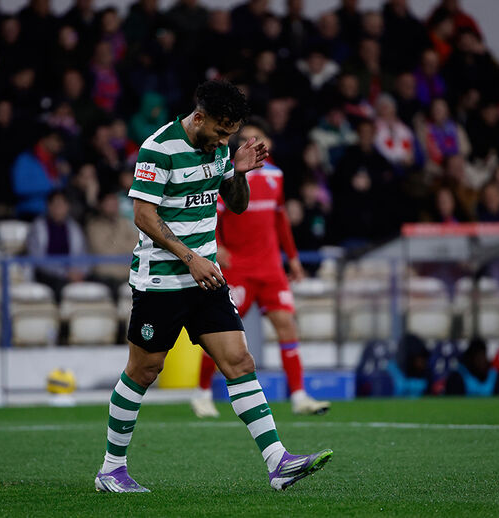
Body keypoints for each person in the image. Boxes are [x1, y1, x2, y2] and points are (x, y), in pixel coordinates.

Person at [95, 80, 331, 494]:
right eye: (222, 132)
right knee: (144, 369)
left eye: (231, 133)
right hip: (162, 281)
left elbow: (236, 204)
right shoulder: (159, 148)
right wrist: (191, 257)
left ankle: (278, 462)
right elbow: (144, 216)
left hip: (207, 281)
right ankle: (111, 469)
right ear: (199, 117)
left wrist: (238, 171)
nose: (225, 140)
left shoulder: (220, 148)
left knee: (239, 361)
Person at [191, 118, 330, 418]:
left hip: (271, 268)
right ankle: (202, 394)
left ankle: (299, 395)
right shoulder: (229, 174)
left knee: (287, 326)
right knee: (221, 332)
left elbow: (280, 218)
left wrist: (291, 258)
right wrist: (218, 246)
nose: (253, 143)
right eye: (248, 139)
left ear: (268, 143)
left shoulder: (276, 176)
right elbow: (212, 213)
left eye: (259, 138)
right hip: (238, 267)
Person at [26, 190, 87, 300]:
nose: (58, 208)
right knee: (60, 286)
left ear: (68, 206)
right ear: (48, 206)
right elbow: (37, 259)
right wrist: (64, 273)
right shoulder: (38, 227)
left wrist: (80, 273)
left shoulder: (75, 228)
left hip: (72, 273)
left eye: (62, 204)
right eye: (55, 204)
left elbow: (83, 255)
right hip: (47, 274)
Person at [11, 128, 66, 219]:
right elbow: (19, 187)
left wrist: (64, 176)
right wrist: (51, 184)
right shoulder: (25, 159)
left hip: (53, 214)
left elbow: (61, 188)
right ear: (44, 139)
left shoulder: (58, 161)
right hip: (30, 212)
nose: (59, 144)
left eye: (61, 141)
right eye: (56, 140)